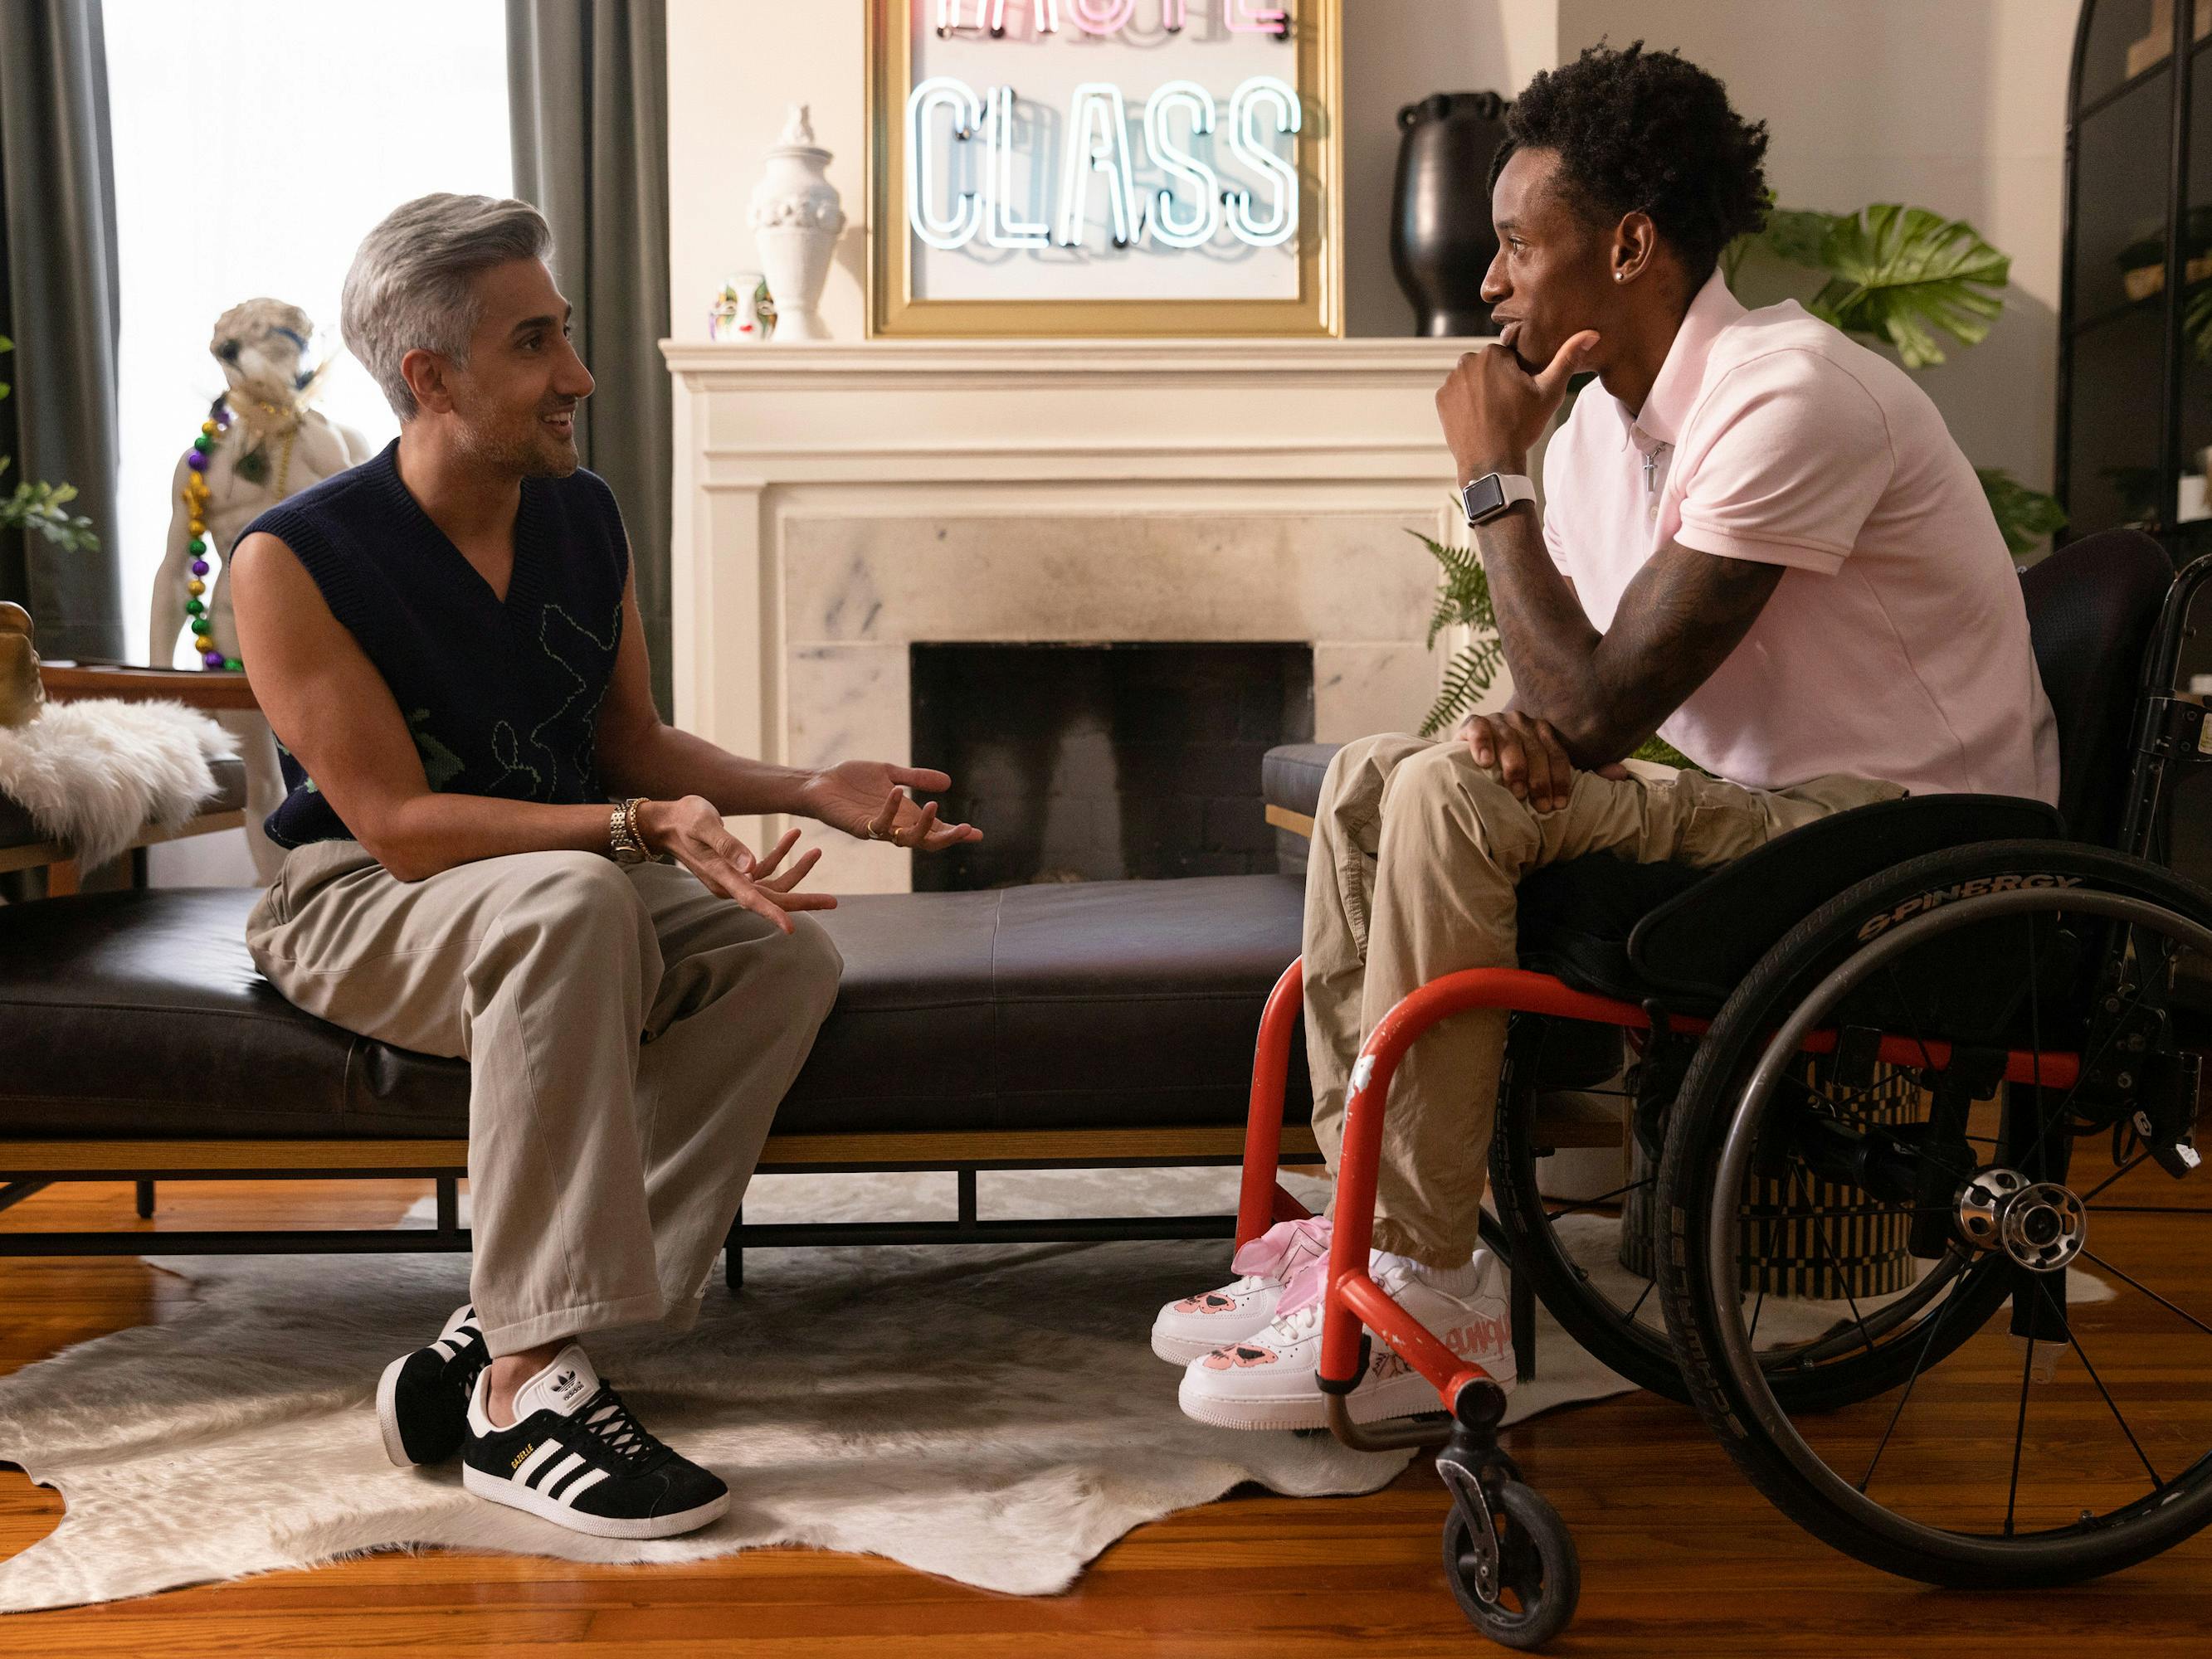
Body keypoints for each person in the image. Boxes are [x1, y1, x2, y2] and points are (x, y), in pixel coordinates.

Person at [1159, 42, 2058, 1431]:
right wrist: (1526, 727)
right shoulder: (1589, 440)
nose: (1487, 282)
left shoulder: (1788, 393)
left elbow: (1585, 709)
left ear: (1630, 243)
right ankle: (1352, 1240)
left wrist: (1483, 482)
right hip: (1769, 817)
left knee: (1450, 803)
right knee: (1375, 777)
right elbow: (1561, 697)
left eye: (1517, 243)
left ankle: (1426, 1280)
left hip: (1913, 847)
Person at [230, 193, 980, 1537]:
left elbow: (627, 739)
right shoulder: (294, 560)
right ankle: (524, 1398)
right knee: (575, 897)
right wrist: (633, 831)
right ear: (431, 376)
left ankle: (498, 1324)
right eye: (536, 344)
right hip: (358, 899)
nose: (579, 374)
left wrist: (808, 787)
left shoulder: (579, 514)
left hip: (558, 879)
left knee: (780, 949)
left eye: (566, 334)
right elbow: (396, 824)